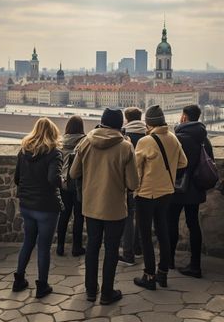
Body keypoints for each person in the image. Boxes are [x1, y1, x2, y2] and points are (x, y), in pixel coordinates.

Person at [70, 108, 139, 305]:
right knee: (111, 251)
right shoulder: (126, 147)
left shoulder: (86, 142)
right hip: (115, 209)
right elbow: (133, 184)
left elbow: (74, 173)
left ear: (102, 122)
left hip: (91, 206)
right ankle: (107, 293)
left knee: (92, 247)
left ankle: (91, 290)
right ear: (120, 125)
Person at [134, 105, 187, 290]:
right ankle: (162, 273)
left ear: (148, 123)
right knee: (163, 231)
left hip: (146, 193)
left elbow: (135, 169)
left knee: (146, 235)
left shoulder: (146, 141)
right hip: (167, 191)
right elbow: (183, 162)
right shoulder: (173, 138)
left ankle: (149, 275)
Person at [13, 117, 64, 298]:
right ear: (53, 133)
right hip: (46, 207)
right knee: (43, 247)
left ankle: (19, 279)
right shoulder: (54, 153)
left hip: (27, 205)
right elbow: (53, 179)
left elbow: (17, 178)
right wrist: (62, 181)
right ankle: (42, 286)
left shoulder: (24, 151)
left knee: (28, 241)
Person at [169, 104, 214, 278]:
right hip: (196, 188)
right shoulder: (204, 138)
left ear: (185, 117)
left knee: (170, 223)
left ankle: (169, 260)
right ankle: (195, 265)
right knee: (193, 225)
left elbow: (173, 165)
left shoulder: (179, 138)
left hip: (178, 188)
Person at [118, 107, 146, 265]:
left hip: (127, 183)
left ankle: (128, 253)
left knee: (128, 218)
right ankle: (138, 248)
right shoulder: (148, 134)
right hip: (146, 183)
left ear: (127, 119)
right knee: (142, 217)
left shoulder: (123, 135)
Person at [56, 115, 85, 257]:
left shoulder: (61, 141)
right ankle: (76, 247)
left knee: (64, 215)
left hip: (63, 183)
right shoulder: (84, 141)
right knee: (79, 217)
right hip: (79, 183)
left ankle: (60, 246)